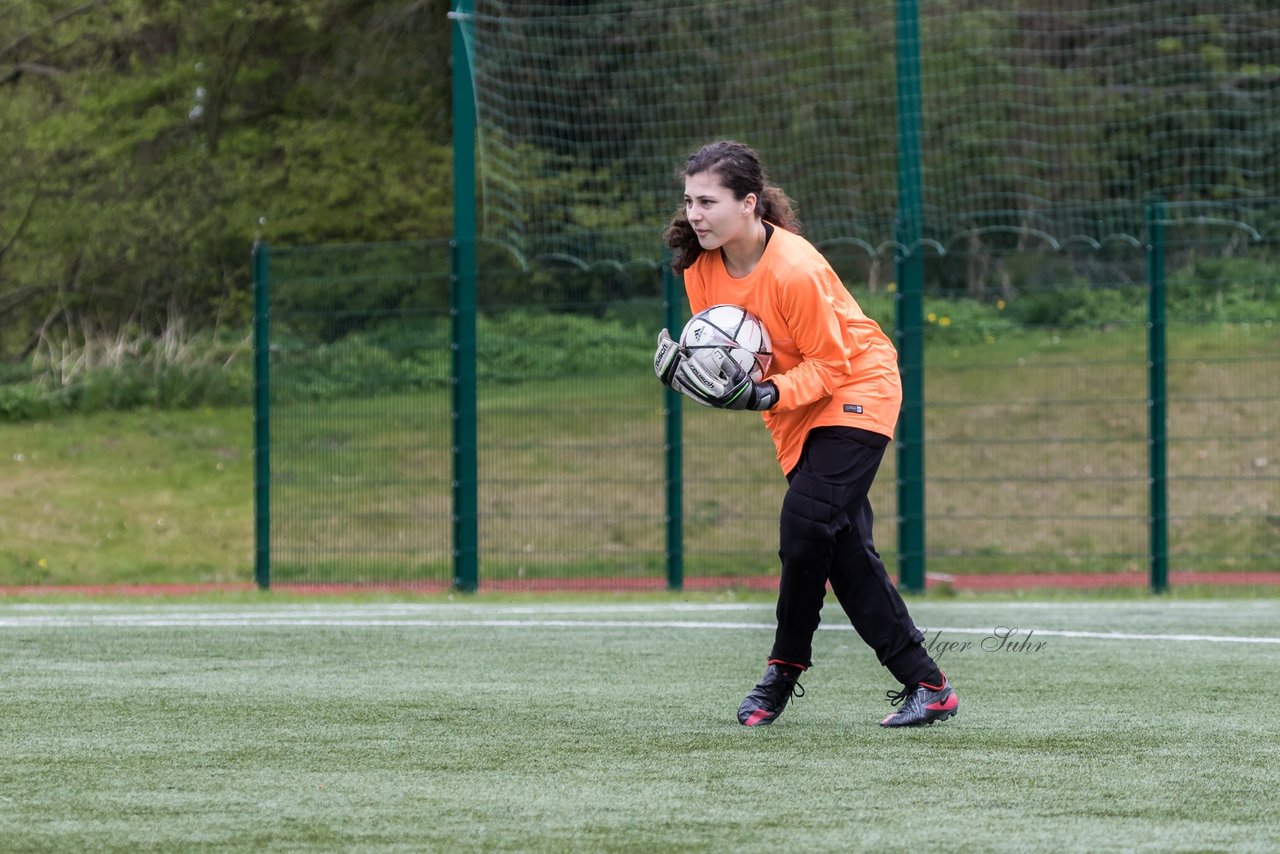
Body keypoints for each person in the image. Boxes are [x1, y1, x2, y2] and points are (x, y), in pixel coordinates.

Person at [653, 140, 958, 728]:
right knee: (841, 551)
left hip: (857, 386)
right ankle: (927, 684)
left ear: (749, 204)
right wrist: (708, 380)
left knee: (803, 524)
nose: (694, 213)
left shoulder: (795, 266)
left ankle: (782, 670)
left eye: (708, 201)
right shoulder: (700, 269)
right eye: (689, 200)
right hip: (796, 409)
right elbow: (736, 364)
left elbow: (832, 364)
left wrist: (765, 392)